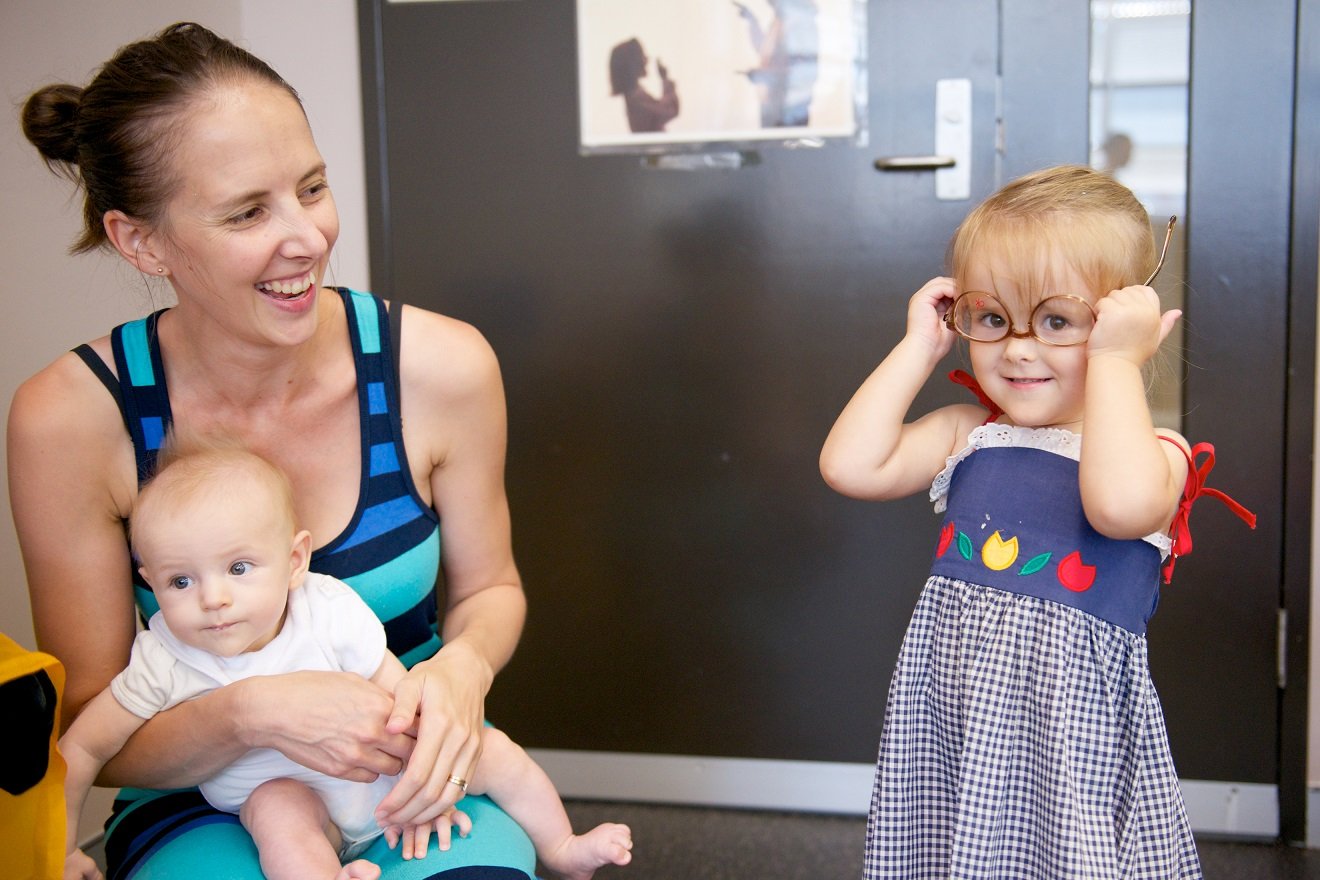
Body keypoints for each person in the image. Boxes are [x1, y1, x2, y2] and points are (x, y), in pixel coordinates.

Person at [13, 21, 539, 879]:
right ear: (140, 241)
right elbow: (92, 736)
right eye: (248, 211)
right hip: (206, 796)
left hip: (405, 775)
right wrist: (254, 714)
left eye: (312, 188)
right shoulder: (70, 419)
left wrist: (460, 672)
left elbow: (492, 589)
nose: (306, 238)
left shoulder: (441, 368)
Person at [818, 165, 1254, 879]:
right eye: (991, 318)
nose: (1017, 347)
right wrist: (918, 348)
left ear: (1124, 324)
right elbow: (850, 466)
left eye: (1057, 320)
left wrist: (1116, 360)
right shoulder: (969, 432)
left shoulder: (1157, 456)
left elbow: (1117, 508)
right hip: (958, 718)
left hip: (1068, 735)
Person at [59, 446, 633, 880]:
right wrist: (55, 848)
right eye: (180, 580)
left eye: (238, 569)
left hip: (382, 768)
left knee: (493, 750)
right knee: (276, 812)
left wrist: (425, 783)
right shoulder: (164, 655)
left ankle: (563, 846)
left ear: (293, 561)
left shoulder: (324, 608)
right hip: (297, 802)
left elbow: (401, 694)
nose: (213, 599)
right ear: (150, 584)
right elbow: (82, 747)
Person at [733, 0, 819, 128]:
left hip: (789, 113)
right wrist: (752, 21)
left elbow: (801, 69)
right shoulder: (781, 20)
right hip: (772, 108)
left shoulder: (801, 24)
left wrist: (767, 76)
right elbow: (766, 51)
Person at [608, 38, 679, 133]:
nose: (646, 59)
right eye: (641, 55)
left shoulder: (634, 96)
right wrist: (665, 79)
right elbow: (670, 110)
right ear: (631, 64)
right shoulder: (636, 99)